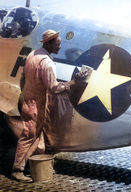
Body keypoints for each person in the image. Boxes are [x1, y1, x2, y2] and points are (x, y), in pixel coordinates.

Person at [11, 29, 88, 182]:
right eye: (58, 44)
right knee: (29, 136)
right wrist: (75, 82)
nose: (60, 47)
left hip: (27, 99)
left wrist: (24, 94)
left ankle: (38, 165)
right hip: (36, 105)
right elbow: (55, 88)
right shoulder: (47, 64)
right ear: (49, 44)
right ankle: (17, 170)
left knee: (38, 136)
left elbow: (23, 77)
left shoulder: (33, 55)